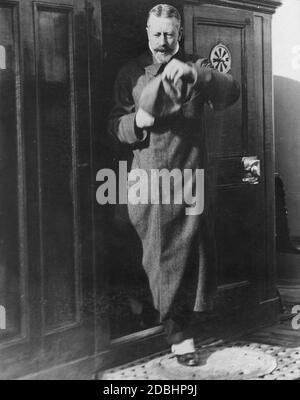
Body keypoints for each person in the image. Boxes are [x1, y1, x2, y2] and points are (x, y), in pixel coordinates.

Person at [108, 3, 240, 366]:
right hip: (147, 181)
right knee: (153, 256)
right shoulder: (130, 73)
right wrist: (139, 119)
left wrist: (201, 76)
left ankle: (180, 336)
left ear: (179, 34)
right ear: (147, 32)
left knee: (189, 260)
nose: (162, 41)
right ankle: (159, 321)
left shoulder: (198, 66)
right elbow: (114, 126)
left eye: (169, 34)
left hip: (189, 179)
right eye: (156, 34)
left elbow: (231, 92)